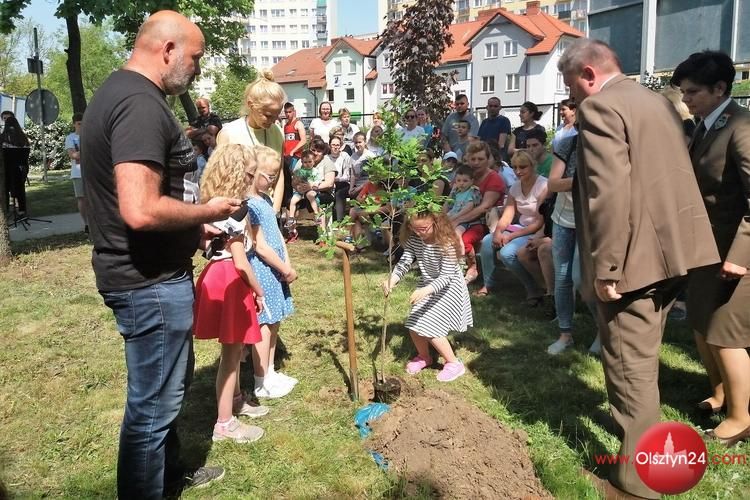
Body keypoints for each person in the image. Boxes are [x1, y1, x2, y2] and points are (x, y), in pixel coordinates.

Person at [81, 11, 237, 497]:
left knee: (165, 395)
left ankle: (169, 477)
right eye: (194, 58)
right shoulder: (139, 105)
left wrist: (198, 223)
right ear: (167, 49)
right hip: (147, 285)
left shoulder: (122, 93)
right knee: (152, 408)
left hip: (151, 276)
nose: (196, 70)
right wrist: (206, 208)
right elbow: (141, 210)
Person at [559, 38, 718, 499]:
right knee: (643, 362)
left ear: (588, 74)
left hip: (631, 261)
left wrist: (607, 267)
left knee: (630, 369)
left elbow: (606, 194)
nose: (573, 99)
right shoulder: (656, 101)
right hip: (673, 253)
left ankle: (636, 482)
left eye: (572, 87)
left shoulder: (601, 109)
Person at [672, 50, 750, 446]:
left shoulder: (742, 128)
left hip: (735, 255)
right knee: (702, 326)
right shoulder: (705, 126)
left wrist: (741, 256)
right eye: (684, 92)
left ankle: (741, 417)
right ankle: (721, 394)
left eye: (694, 92)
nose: (687, 99)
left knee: (724, 334)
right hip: (705, 250)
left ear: (721, 88)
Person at [193, 144, 268, 443]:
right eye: (251, 174)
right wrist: (258, 291)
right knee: (231, 354)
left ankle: (236, 398)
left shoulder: (208, 203)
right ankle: (224, 423)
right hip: (232, 281)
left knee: (232, 350)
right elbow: (240, 262)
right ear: (240, 174)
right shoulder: (235, 210)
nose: (253, 180)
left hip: (214, 275)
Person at [382, 210, 472, 382]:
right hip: (429, 285)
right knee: (414, 322)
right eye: (414, 229)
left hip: (449, 288)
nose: (419, 233)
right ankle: (424, 357)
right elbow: (404, 262)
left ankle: (454, 363)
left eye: (424, 228)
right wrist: (391, 280)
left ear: (436, 223)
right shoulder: (415, 240)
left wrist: (425, 290)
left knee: (431, 326)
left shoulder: (446, 243)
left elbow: (446, 277)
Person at [245, 145, 298, 399]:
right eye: (268, 175)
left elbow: (276, 234)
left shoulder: (265, 199)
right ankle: (260, 378)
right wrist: (283, 267)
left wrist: (286, 260)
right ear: (253, 172)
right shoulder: (250, 204)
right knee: (264, 323)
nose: (272, 180)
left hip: (276, 268)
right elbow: (260, 245)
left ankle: (271, 370)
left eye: (276, 176)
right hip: (263, 269)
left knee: (274, 319)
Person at [476, 151, 547, 300]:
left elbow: (540, 221)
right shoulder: (515, 186)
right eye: (514, 167)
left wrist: (511, 236)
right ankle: (488, 283)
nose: (518, 171)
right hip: (521, 228)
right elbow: (508, 214)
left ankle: (532, 288)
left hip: (540, 230)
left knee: (507, 253)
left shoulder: (543, 185)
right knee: (488, 241)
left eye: (523, 167)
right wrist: (498, 232)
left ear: (532, 166)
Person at [216, 70, 286, 213]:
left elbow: (279, 175)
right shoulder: (229, 134)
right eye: (268, 115)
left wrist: (275, 211)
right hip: (238, 212)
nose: (273, 121)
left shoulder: (277, 132)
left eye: (277, 115)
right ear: (251, 105)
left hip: (268, 209)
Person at [454, 142, 506, 284]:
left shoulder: (494, 179)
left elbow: (484, 207)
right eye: (473, 159)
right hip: (461, 218)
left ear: (488, 159)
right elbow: (451, 199)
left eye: (480, 159)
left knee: (464, 239)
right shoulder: (464, 175)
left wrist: (457, 220)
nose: (476, 163)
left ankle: (472, 268)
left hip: (484, 223)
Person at [446, 164, 482, 257]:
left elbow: (469, 207)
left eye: (465, 181)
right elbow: (449, 204)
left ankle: (461, 252)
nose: (461, 183)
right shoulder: (456, 192)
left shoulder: (472, 191)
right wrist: (452, 191)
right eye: (458, 180)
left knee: (457, 232)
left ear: (472, 181)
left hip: (464, 219)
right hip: (452, 216)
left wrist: (457, 217)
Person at [286, 150, 319, 240]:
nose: (307, 164)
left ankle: (316, 214)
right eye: (305, 162)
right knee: (293, 200)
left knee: (311, 196)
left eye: (309, 162)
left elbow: (317, 180)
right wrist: (298, 186)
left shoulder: (315, 171)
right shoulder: (299, 171)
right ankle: (291, 217)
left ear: (314, 161)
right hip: (300, 191)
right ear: (301, 162)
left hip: (310, 190)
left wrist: (313, 185)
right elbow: (295, 181)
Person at [1, 115, 30, 215]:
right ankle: (21, 210)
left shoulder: (5, 138)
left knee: (8, 188)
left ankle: (9, 211)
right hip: (19, 167)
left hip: (11, 168)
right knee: (19, 188)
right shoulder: (22, 137)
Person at [64, 113, 87, 232]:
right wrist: (88, 151)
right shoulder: (70, 138)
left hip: (91, 172)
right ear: (74, 124)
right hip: (78, 173)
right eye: (79, 124)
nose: (81, 126)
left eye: (83, 123)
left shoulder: (90, 136)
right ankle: (86, 223)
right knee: (81, 198)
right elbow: (73, 155)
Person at [282, 102, 307, 213]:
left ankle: (298, 204)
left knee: (295, 181)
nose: (288, 114)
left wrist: (293, 151)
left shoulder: (298, 124)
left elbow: (304, 140)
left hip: (295, 157)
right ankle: (289, 205)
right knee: (287, 181)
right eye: (286, 112)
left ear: (294, 111)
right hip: (286, 156)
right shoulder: (286, 126)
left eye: (290, 112)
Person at [329, 135, 352, 222]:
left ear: (340, 146)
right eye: (333, 145)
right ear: (329, 145)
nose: (335, 147)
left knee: (339, 193)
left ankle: (339, 220)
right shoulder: (326, 158)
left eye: (337, 145)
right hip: (330, 184)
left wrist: (336, 179)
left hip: (343, 183)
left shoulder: (344, 156)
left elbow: (347, 176)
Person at [348, 131, 375, 200]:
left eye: (360, 142)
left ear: (365, 142)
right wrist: (351, 188)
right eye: (356, 143)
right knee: (340, 194)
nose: (358, 145)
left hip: (368, 185)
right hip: (356, 185)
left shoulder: (370, 156)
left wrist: (358, 188)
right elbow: (353, 175)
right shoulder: (353, 157)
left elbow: (372, 177)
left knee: (358, 198)